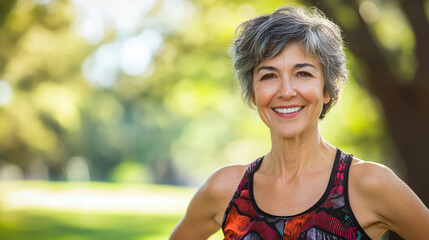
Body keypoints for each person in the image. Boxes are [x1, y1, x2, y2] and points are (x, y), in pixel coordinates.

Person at [170, 5, 429, 240]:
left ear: (327, 89)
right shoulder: (225, 189)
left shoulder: (369, 184)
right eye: (269, 76)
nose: (286, 91)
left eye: (303, 73)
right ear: (253, 93)